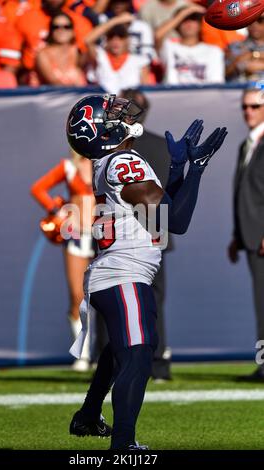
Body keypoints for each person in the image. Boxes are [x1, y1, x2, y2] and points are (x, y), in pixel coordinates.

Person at [66, 93, 227, 449]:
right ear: (101, 131)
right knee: (139, 354)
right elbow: (175, 220)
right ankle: (123, 447)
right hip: (124, 272)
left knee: (123, 348)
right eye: (111, 113)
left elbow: (159, 210)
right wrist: (197, 169)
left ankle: (89, 417)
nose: (121, 112)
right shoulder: (123, 160)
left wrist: (178, 170)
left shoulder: (112, 161)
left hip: (117, 271)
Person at [120, 88, 173, 380]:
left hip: (123, 232)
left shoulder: (112, 148)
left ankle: (119, 362)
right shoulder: (161, 146)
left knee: (115, 296)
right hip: (155, 230)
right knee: (152, 300)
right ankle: (158, 362)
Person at [31, 151, 95, 371]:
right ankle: (83, 355)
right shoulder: (68, 167)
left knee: (105, 295)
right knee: (78, 296)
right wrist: (57, 211)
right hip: (76, 236)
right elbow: (38, 188)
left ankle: (106, 351)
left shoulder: (104, 162)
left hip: (101, 236)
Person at [228, 87, 264, 382]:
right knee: (261, 302)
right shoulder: (247, 144)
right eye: (245, 107)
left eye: (254, 106)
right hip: (251, 236)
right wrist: (237, 235)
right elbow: (244, 193)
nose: (248, 112)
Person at [157, 6, 225, 85]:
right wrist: (185, 12)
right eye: (184, 20)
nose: (188, 23)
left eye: (193, 19)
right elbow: (158, 35)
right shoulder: (169, 47)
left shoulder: (214, 51)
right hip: (173, 95)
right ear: (177, 25)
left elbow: (216, 84)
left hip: (204, 96)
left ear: (200, 25)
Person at [84, 13, 150, 93]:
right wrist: (116, 21)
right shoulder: (100, 57)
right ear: (107, 41)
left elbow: (146, 92)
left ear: (127, 40)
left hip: (130, 104)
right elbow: (88, 41)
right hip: (103, 104)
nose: (115, 41)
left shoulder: (140, 62)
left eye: (121, 37)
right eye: (111, 37)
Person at [36, 12, 86, 86]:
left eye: (67, 27)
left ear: (73, 31)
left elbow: (90, 42)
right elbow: (53, 82)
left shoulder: (77, 52)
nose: (61, 30)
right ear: (51, 31)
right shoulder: (43, 54)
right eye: (56, 27)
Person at [226, 14, 264, 82]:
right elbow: (223, 73)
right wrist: (238, 61)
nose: (254, 25)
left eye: (260, 20)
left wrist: (253, 56)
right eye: (250, 21)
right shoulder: (234, 46)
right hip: (238, 89)